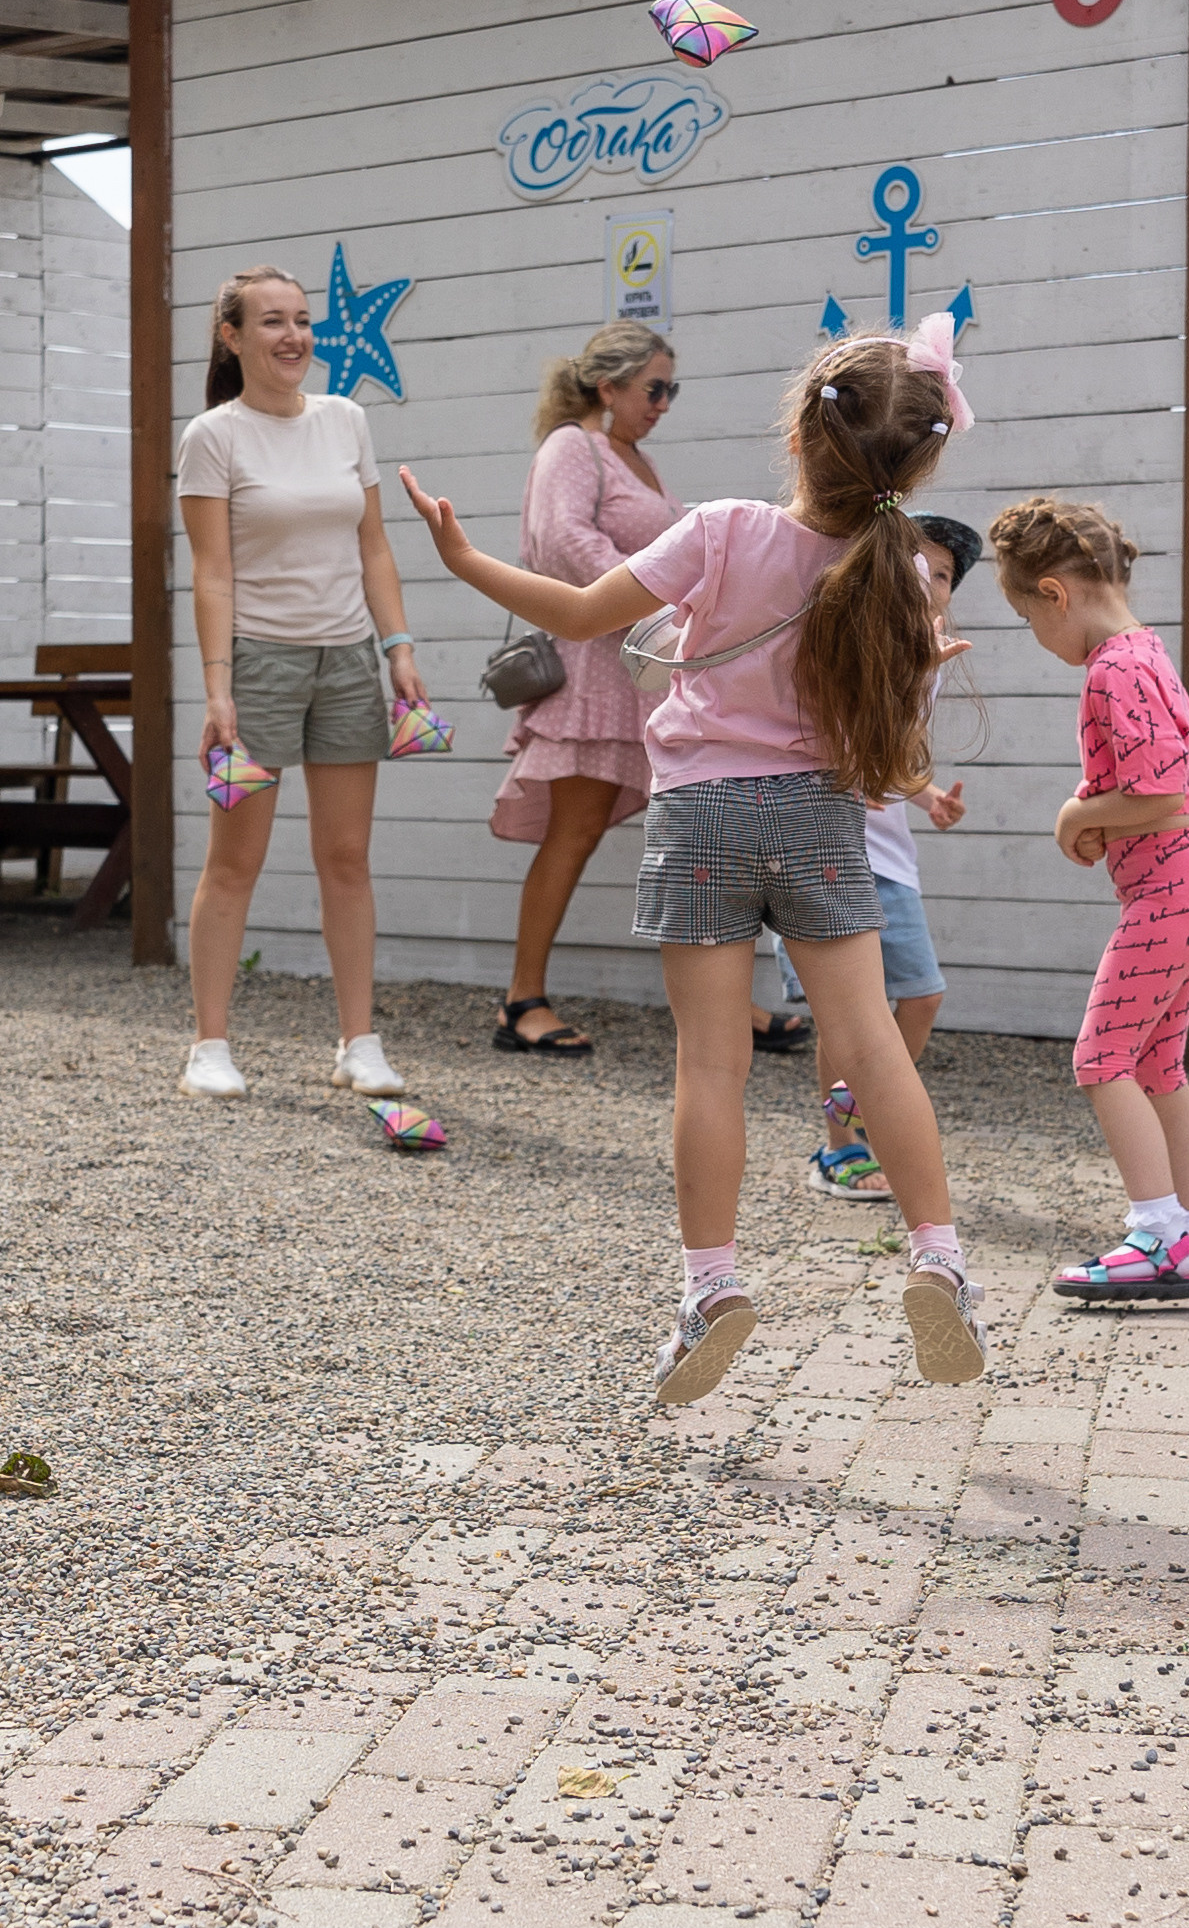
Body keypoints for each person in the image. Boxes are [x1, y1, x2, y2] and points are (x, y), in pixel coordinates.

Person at [398, 316, 988, 1402]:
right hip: (820, 816)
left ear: (800, 434)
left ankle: (712, 1287)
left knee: (710, 1063)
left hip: (702, 814)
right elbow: (893, 740)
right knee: (872, 1045)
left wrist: (463, 557)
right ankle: (940, 1258)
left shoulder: (721, 529)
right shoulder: (904, 572)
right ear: (917, 463)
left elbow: (583, 611)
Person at [176, 264, 427, 1103]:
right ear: (232, 336)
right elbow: (212, 573)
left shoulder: (346, 419)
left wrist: (397, 648)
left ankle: (360, 1042)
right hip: (258, 666)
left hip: (348, 662)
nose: (294, 337)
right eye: (272, 321)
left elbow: (373, 547)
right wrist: (218, 688)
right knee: (234, 861)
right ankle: (209, 1045)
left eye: (302, 320)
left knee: (347, 857)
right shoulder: (212, 436)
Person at [989, 496, 1189, 1305]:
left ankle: (1157, 1236)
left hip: (1169, 889)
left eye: (1027, 617)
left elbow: (1161, 792)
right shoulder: (1145, 651)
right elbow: (1176, 780)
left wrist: (1078, 813)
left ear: (1053, 593)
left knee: (1100, 1058)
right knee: (1157, 1065)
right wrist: (1102, 812)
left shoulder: (1111, 669)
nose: (1036, 634)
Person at [489, 321, 684, 1057]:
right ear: (609, 386)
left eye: (671, 390)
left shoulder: (640, 459)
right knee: (574, 832)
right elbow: (563, 540)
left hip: (640, 672)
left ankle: (723, 1000)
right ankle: (521, 1000)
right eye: (653, 388)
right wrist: (655, 602)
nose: (663, 404)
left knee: (688, 831)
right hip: (593, 674)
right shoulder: (573, 447)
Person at [804, 513, 978, 1198]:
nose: (928, 579)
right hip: (827, 844)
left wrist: (928, 795)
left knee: (922, 993)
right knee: (847, 1008)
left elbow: (893, 753)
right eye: (916, 564)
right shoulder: (853, 636)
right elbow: (839, 729)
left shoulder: (929, 656)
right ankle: (839, 1147)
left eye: (943, 574)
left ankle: (856, 1097)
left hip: (887, 856)